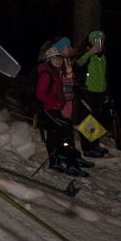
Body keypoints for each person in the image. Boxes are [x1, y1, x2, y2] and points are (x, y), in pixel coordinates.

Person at [35, 47, 92, 176]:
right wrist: (55, 102)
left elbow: (62, 90)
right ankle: (72, 164)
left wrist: (62, 101)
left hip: (55, 109)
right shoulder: (46, 74)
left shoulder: (56, 73)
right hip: (47, 109)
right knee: (67, 130)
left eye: (59, 58)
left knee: (54, 133)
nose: (58, 60)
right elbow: (40, 95)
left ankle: (54, 161)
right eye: (55, 58)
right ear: (48, 59)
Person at [74, 30, 109, 158]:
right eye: (96, 41)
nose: (99, 43)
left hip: (99, 93)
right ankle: (87, 148)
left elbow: (104, 76)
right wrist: (90, 52)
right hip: (87, 92)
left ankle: (94, 145)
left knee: (95, 119)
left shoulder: (102, 57)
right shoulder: (86, 54)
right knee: (87, 120)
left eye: (101, 40)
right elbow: (78, 63)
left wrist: (106, 92)